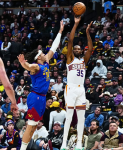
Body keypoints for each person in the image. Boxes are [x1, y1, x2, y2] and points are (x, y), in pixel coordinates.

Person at [18, 21, 64, 150]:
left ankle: (26, 147)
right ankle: (22, 148)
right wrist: (23, 63)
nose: (45, 54)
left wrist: (60, 31)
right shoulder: (37, 66)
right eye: (42, 54)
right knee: (31, 124)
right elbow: (29, 66)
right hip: (36, 96)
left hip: (42, 97)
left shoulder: (46, 63)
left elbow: (54, 47)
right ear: (39, 57)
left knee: (34, 125)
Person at [60, 17, 93, 150]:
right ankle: (63, 143)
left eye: (80, 49)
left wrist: (87, 33)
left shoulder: (83, 61)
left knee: (81, 117)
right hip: (71, 88)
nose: (78, 49)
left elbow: (90, 49)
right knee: (69, 116)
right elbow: (70, 40)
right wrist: (76, 24)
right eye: (76, 48)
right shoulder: (69, 59)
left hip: (81, 90)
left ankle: (79, 143)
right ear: (73, 51)